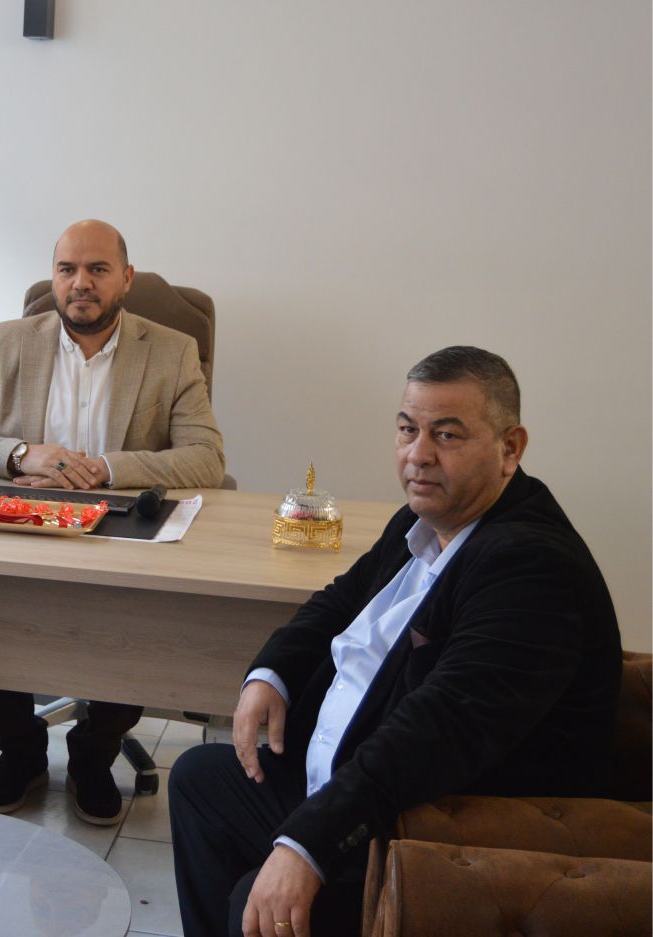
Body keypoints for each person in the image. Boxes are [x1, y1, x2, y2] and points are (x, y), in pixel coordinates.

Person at [168, 346, 622, 937]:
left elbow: (439, 728)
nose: (418, 455)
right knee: (199, 780)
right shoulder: (424, 518)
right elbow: (339, 600)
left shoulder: (530, 566)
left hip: (434, 828)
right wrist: (271, 674)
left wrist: (307, 843)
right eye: (408, 430)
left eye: (447, 435)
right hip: (354, 783)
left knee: (252, 905)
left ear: (510, 449)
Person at [0, 219, 226, 824]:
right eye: (67, 270)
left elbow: (206, 458)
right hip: (26, 524)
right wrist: (22, 454)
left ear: (126, 279)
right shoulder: (8, 341)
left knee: (134, 620)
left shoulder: (171, 351)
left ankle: (94, 753)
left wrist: (105, 469)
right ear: (53, 278)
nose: (80, 283)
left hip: (118, 529)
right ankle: (21, 749)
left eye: (97, 270)